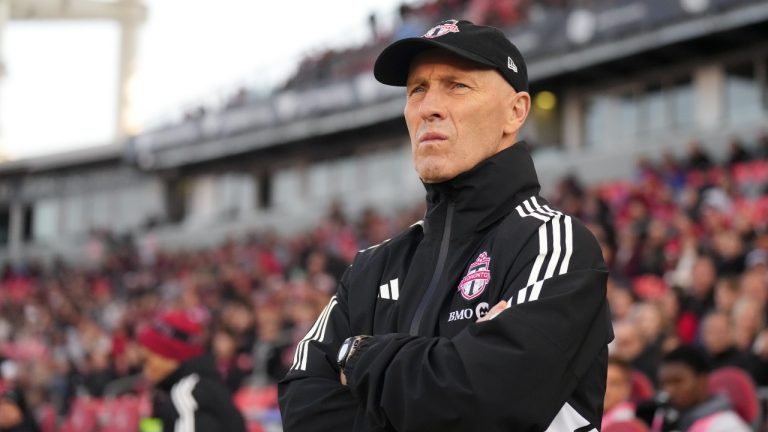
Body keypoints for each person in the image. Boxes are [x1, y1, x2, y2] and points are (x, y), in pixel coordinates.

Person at [279, 19, 612, 431]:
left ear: (516, 111)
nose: (428, 107)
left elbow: (485, 402)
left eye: (457, 85)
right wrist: (447, 370)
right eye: (417, 89)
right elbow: (301, 406)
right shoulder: (371, 267)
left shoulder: (553, 243)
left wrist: (359, 355)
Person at [137, 311, 246, 432]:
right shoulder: (209, 385)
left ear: (169, 357)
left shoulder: (187, 393)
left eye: (147, 360)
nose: (145, 370)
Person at [654, 346, 750, 432]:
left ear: (702, 381)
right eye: (664, 384)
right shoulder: (665, 420)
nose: (670, 390)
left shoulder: (726, 425)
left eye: (677, 381)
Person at [602, 357, 636, 430]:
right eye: (602, 382)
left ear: (626, 389)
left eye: (614, 384)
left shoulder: (624, 419)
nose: (606, 390)